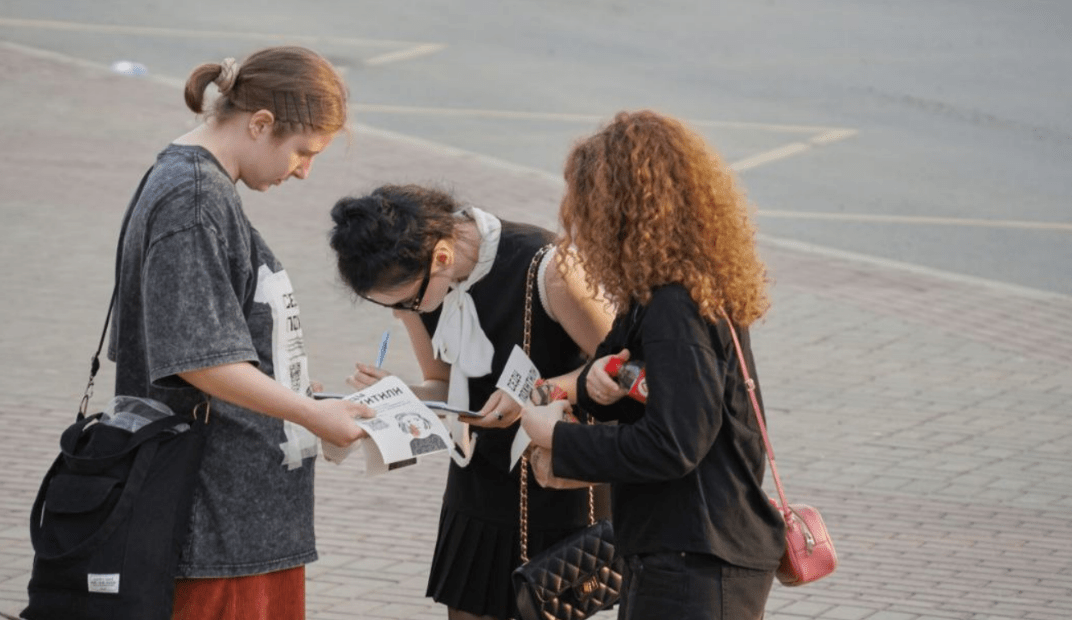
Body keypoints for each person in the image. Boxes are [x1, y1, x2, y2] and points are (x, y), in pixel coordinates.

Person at [107, 47, 373, 620]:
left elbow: (213, 344)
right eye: (303, 152)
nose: (304, 171)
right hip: (215, 517)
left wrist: (289, 387)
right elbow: (199, 359)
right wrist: (308, 413)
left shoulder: (195, 187)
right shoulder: (194, 198)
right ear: (260, 124)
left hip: (235, 517)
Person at [521, 110, 787, 620]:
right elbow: (674, 410)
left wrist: (559, 438)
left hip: (698, 555)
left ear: (622, 210)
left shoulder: (674, 306)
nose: (581, 225)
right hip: (688, 547)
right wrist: (604, 387)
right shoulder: (669, 294)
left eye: (589, 208)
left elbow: (675, 444)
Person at [328, 184, 614, 620]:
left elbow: (620, 367)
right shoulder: (420, 284)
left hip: (551, 476)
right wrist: (395, 398)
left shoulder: (547, 266)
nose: (405, 311)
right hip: (477, 482)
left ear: (441, 258)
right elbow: (441, 385)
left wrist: (537, 394)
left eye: (407, 301)